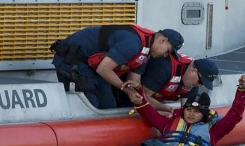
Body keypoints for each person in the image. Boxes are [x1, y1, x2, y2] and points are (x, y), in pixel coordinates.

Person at [50, 25, 184, 109]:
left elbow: (135, 80)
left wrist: (136, 91)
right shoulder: (133, 43)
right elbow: (104, 69)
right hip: (73, 61)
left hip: (93, 68)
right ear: (162, 40)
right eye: (168, 50)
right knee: (90, 103)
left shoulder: (146, 52)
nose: (166, 55)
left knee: (109, 106)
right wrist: (128, 91)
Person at [130, 75, 245, 146]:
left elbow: (235, 115)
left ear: (204, 115)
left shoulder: (214, 131)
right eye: (189, 110)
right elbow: (146, 110)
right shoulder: (168, 122)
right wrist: (138, 89)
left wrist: (241, 89)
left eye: (197, 112)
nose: (191, 114)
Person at [135, 54, 219, 113]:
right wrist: (169, 109)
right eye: (200, 81)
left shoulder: (192, 83)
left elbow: (186, 108)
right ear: (193, 70)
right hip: (131, 94)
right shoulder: (164, 68)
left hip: (158, 99)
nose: (200, 85)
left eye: (203, 84)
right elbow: (143, 97)